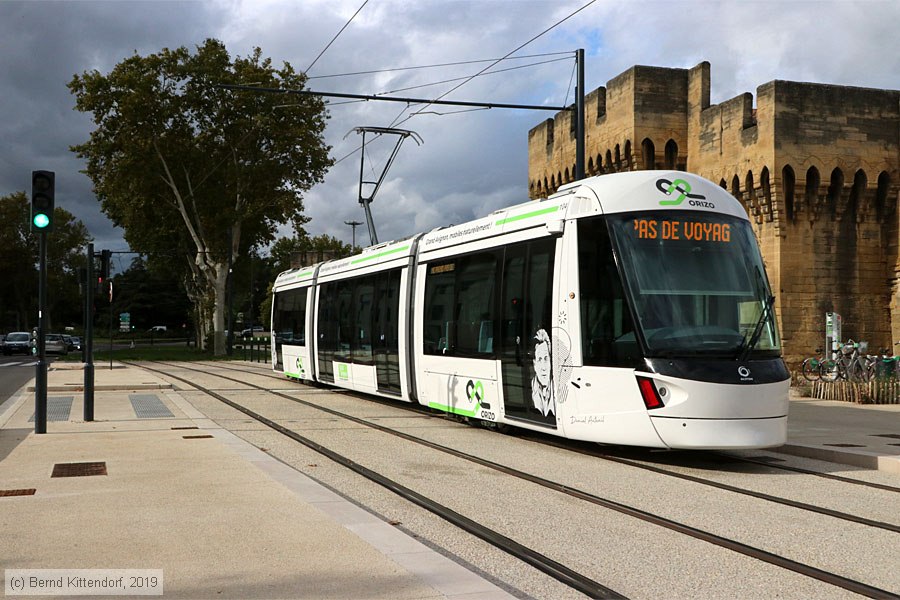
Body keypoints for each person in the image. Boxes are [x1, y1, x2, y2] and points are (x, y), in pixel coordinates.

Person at [531, 328, 554, 417]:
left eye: (546, 359)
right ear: (534, 364)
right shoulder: (533, 387)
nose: (544, 368)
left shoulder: (557, 389)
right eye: (539, 360)